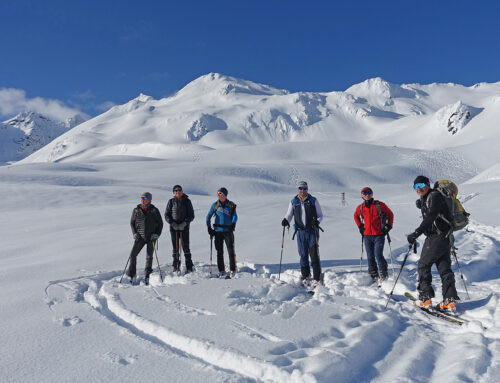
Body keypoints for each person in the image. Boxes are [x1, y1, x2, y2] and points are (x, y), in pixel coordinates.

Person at [407, 175, 460, 312]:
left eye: (420, 186)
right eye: (415, 187)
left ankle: (425, 298)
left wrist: (416, 233)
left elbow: (431, 217)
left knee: (423, 265)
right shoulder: (429, 197)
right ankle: (449, 300)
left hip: (436, 238)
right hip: (445, 238)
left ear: (427, 185)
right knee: (444, 269)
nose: (418, 189)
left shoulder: (434, 196)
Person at [282, 181, 323, 287]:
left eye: (304, 188)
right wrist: (286, 220)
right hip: (300, 232)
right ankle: (305, 275)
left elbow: (320, 215)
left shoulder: (313, 200)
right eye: (300, 188)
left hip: (312, 231)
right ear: (298, 189)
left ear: (307, 189)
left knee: (314, 254)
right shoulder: (294, 201)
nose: (302, 190)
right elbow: (289, 214)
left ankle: (317, 277)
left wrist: (317, 222)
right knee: (303, 254)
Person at [353, 187, 394, 284]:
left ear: (372, 194)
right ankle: (373, 273)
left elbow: (390, 214)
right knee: (370, 256)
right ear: (362, 195)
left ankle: (383, 272)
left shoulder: (379, 205)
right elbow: (355, 216)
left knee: (378, 255)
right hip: (367, 235)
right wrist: (360, 227)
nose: (367, 195)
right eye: (365, 193)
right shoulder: (361, 207)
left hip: (379, 234)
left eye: (369, 193)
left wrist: (389, 226)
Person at [128, 192, 163, 284]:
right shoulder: (136, 210)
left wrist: (157, 234)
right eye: (142, 198)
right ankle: (131, 274)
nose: (143, 200)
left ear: (149, 200)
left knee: (149, 256)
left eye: (145, 198)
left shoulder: (154, 210)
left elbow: (160, 224)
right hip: (140, 237)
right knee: (133, 255)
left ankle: (147, 275)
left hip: (151, 237)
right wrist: (134, 233)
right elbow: (132, 223)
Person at [206, 187, 238, 277]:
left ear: (225, 195)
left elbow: (235, 216)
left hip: (228, 231)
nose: (219, 195)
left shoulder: (231, 205)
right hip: (218, 232)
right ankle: (222, 270)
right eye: (218, 194)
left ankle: (233, 269)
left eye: (221, 194)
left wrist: (233, 224)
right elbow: (208, 217)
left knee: (231, 251)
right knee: (219, 252)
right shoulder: (215, 205)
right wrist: (209, 228)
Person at [164, 185, 195, 273]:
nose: (178, 192)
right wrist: (172, 223)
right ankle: (176, 266)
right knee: (175, 248)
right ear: (174, 192)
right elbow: (166, 214)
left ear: (182, 191)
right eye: (176, 191)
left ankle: (189, 266)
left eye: (179, 190)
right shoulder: (171, 201)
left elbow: (191, 215)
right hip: (174, 228)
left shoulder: (187, 201)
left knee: (186, 247)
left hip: (184, 227)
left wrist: (184, 223)